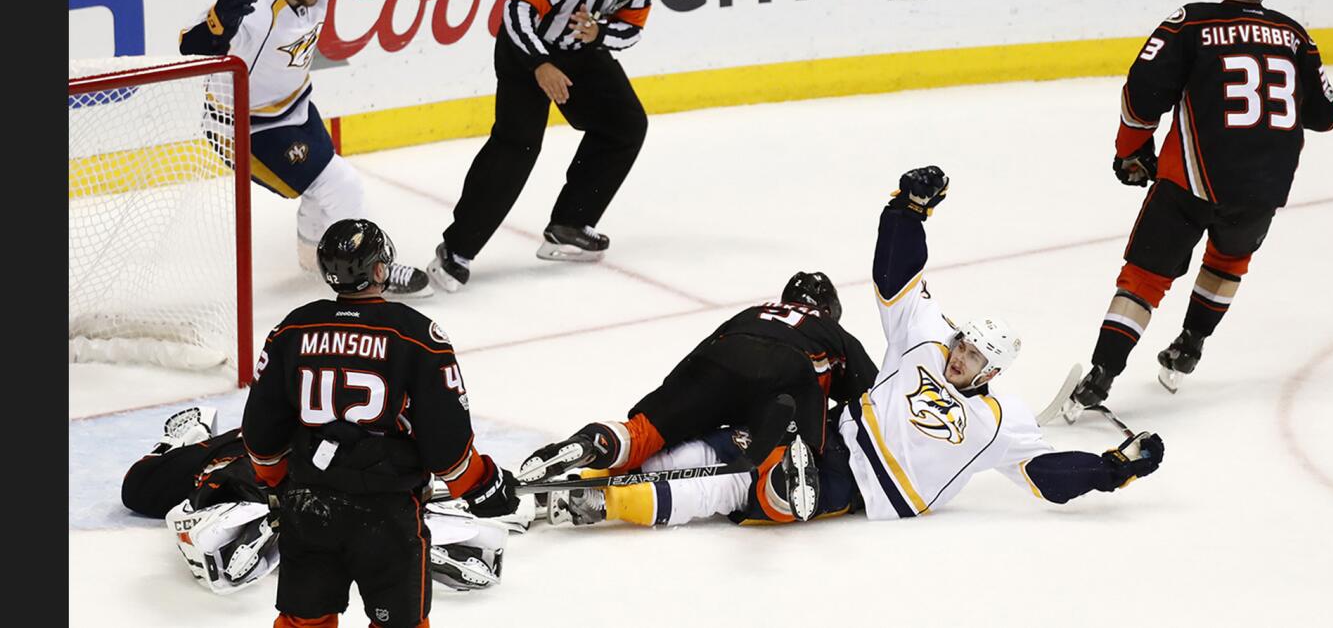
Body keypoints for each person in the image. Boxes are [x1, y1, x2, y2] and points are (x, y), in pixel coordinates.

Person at [540, 167, 1165, 529]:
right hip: (835, 436)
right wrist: (906, 211)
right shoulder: (925, 341)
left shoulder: (1005, 421)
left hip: (861, 485)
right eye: (963, 345)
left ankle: (614, 497)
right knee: (735, 446)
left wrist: (1111, 469)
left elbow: (1046, 477)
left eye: (974, 357)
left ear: (993, 370)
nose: (959, 357)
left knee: (739, 485)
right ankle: (603, 478)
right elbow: (897, 278)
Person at [1063, 0, 1333, 417]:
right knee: (1228, 263)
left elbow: (1141, 94)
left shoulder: (1191, 21)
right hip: (1264, 186)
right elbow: (1324, 115)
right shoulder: (1296, 35)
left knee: (1145, 278)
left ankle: (1101, 375)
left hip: (1191, 180)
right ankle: (1189, 347)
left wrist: (1131, 152)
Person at [177, 0, 464, 296]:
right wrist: (218, 23)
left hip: (294, 107)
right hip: (243, 127)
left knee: (323, 181)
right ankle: (373, 270)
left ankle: (311, 253)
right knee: (341, 184)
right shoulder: (253, 8)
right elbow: (191, 48)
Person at [240, 219, 521, 626]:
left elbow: (261, 432)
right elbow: (447, 442)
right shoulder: (418, 334)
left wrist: (279, 479)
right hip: (387, 513)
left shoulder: (292, 328)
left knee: (304, 621)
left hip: (309, 506)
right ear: (378, 271)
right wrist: (480, 484)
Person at [428, 0, 660, 288]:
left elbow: (632, 29)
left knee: (626, 125)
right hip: (524, 49)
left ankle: (570, 223)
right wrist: (539, 64)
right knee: (518, 147)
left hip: (579, 51)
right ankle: (455, 251)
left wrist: (599, 34)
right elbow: (515, 9)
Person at [518, 270, 878, 525]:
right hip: (788, 374)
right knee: (783, 462)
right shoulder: (831, 330)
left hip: (718, 361)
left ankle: (598, 443)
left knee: (644, 433)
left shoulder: (753, 313)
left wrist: (668, 417)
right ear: (829, 310)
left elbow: (695, 362)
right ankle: (783, 471)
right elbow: (875, 396)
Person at [121, 406, 514, 595]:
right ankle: (421, 526)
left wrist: (176, 444)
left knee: (237, 481)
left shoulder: (218, 445)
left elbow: (137, 487)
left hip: (279, 477)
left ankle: (265, 520)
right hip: (365, 470)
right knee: (387, 486)